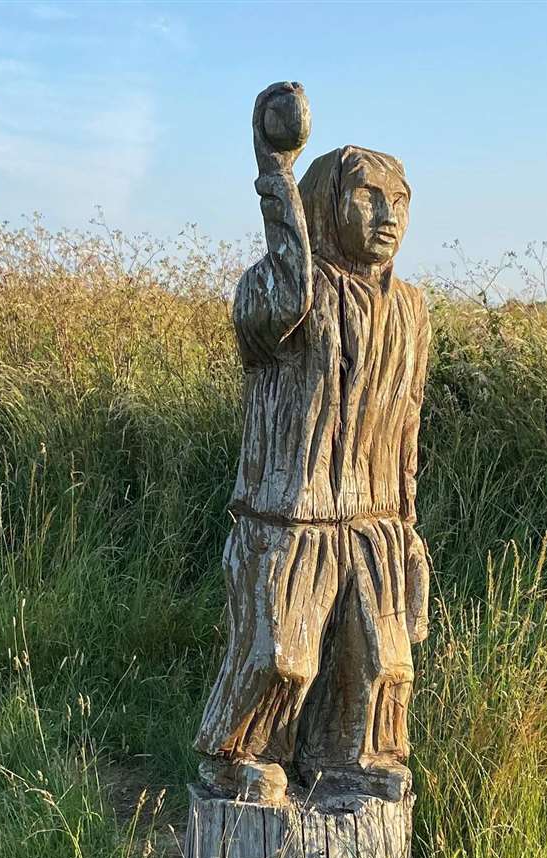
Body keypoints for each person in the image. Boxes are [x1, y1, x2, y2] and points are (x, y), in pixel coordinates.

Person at [195, 82, 430, 804]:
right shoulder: (279, 289)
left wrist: (407, 524)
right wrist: (277, 175)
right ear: (329, 202)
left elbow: (407, 417)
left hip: (376, 515)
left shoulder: (412, 309)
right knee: (281, 655)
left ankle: (352, 756)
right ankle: (237, 753)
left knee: (382, 657)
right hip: (290, 513)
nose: (387, 215)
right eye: (367, 197)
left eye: (399, 200)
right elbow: (290, 297)